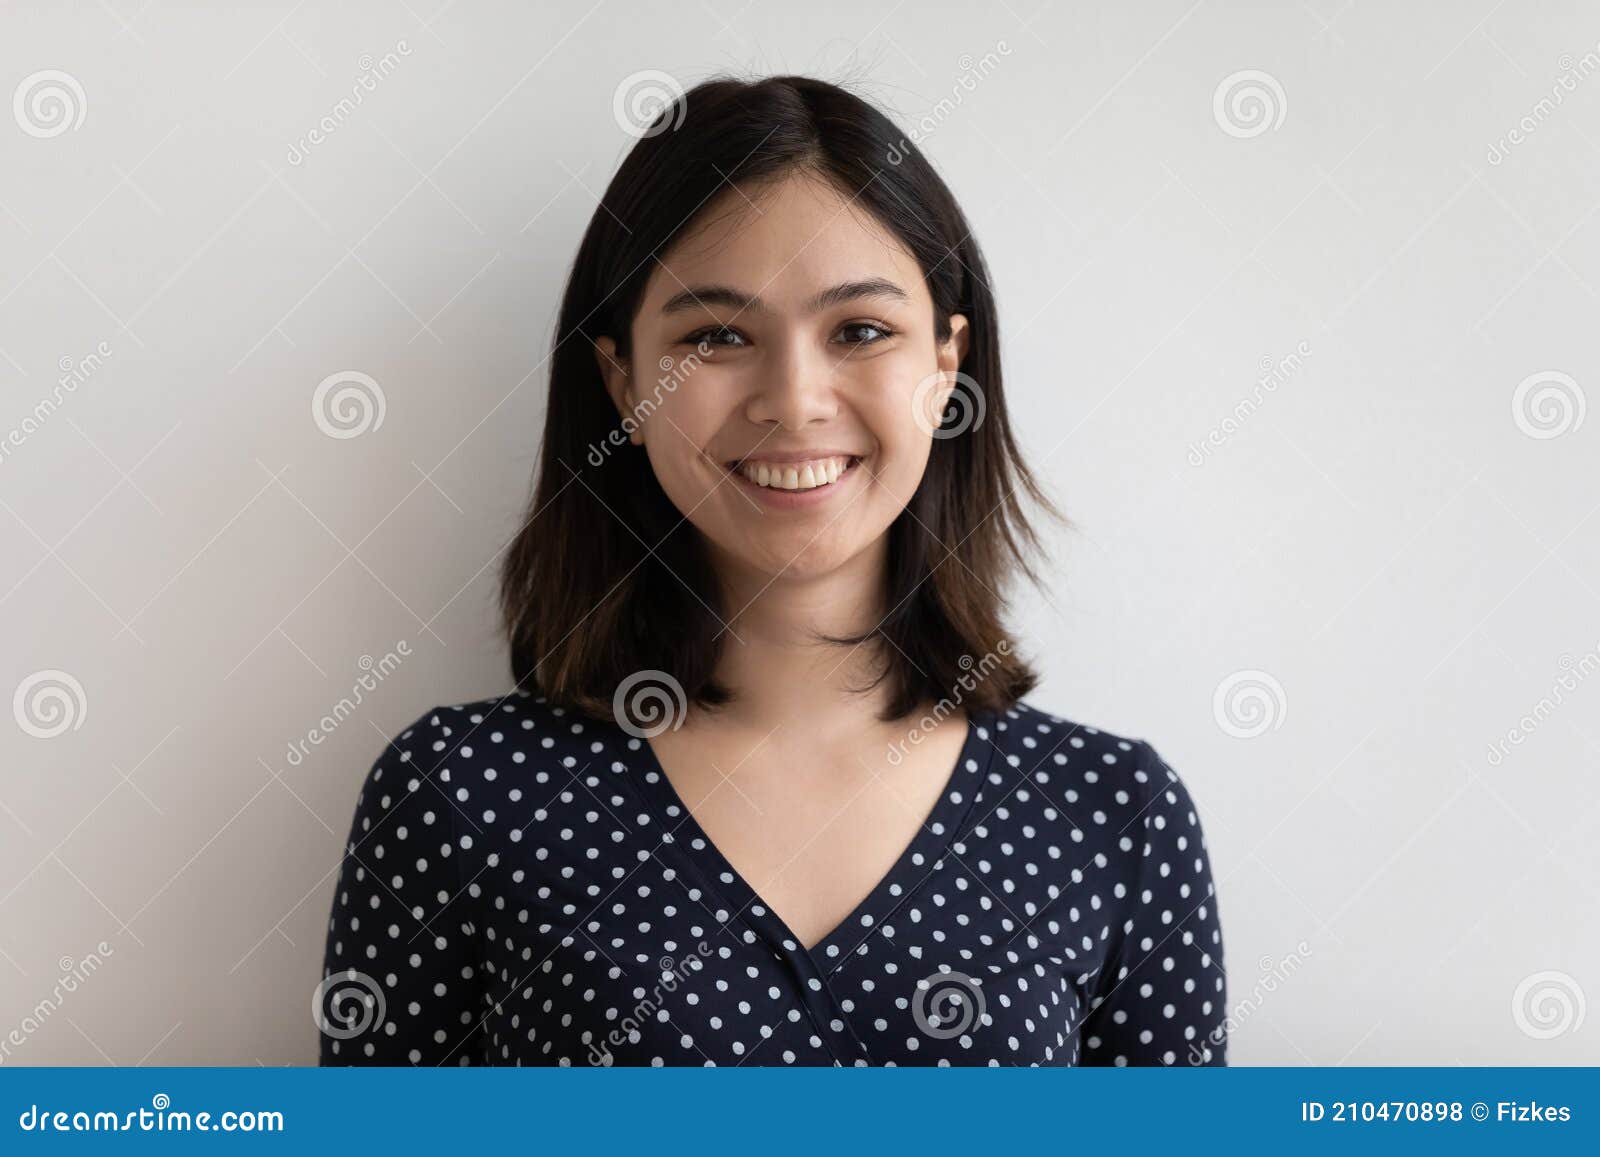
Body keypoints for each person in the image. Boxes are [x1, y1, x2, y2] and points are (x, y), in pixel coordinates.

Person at [317, 74, 1227, 1067]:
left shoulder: (1111, 813)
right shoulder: (460, 793)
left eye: (860, 331)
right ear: (623, 378)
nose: (793, 400)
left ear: (946, 364)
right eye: (717, 335)